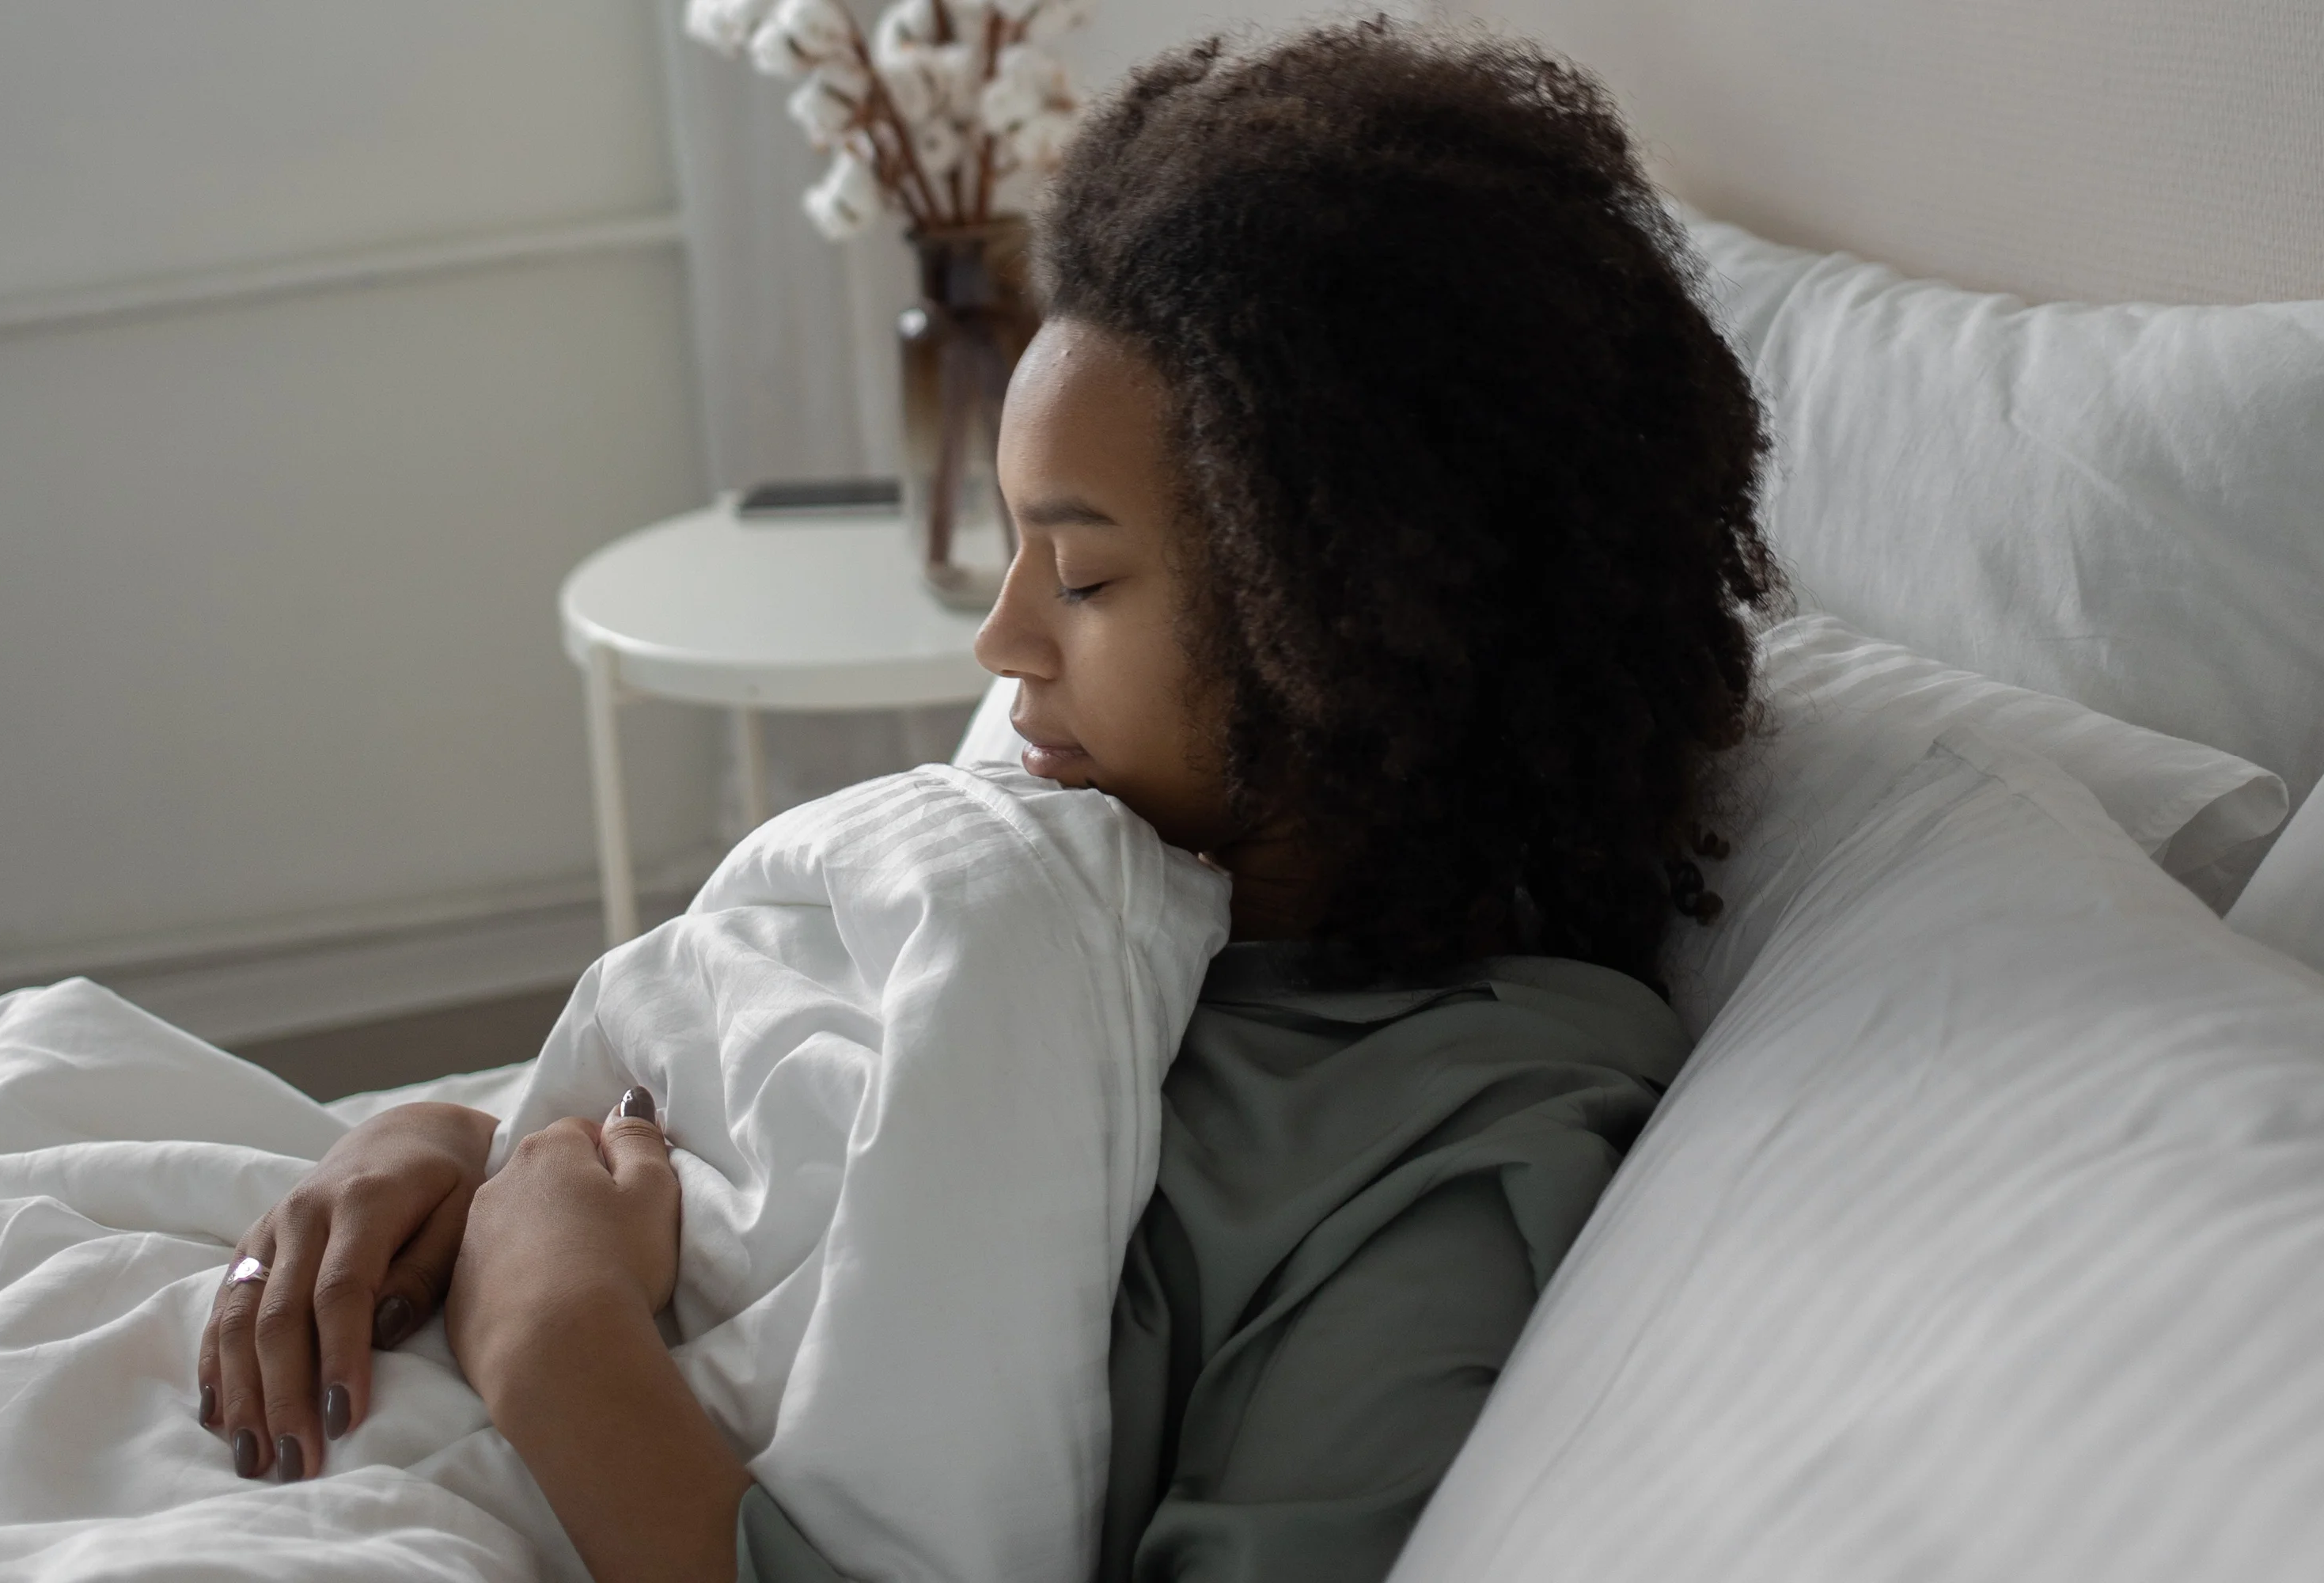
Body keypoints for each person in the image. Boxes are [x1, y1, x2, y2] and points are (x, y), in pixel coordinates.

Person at [194, 19, 1774, 1581]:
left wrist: (553, 1339)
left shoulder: (1451, 1143)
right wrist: (437, 1149)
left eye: (1080, 573)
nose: (1001, 637)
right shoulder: (1077, 840)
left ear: (1348, 625)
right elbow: (741, 1116)